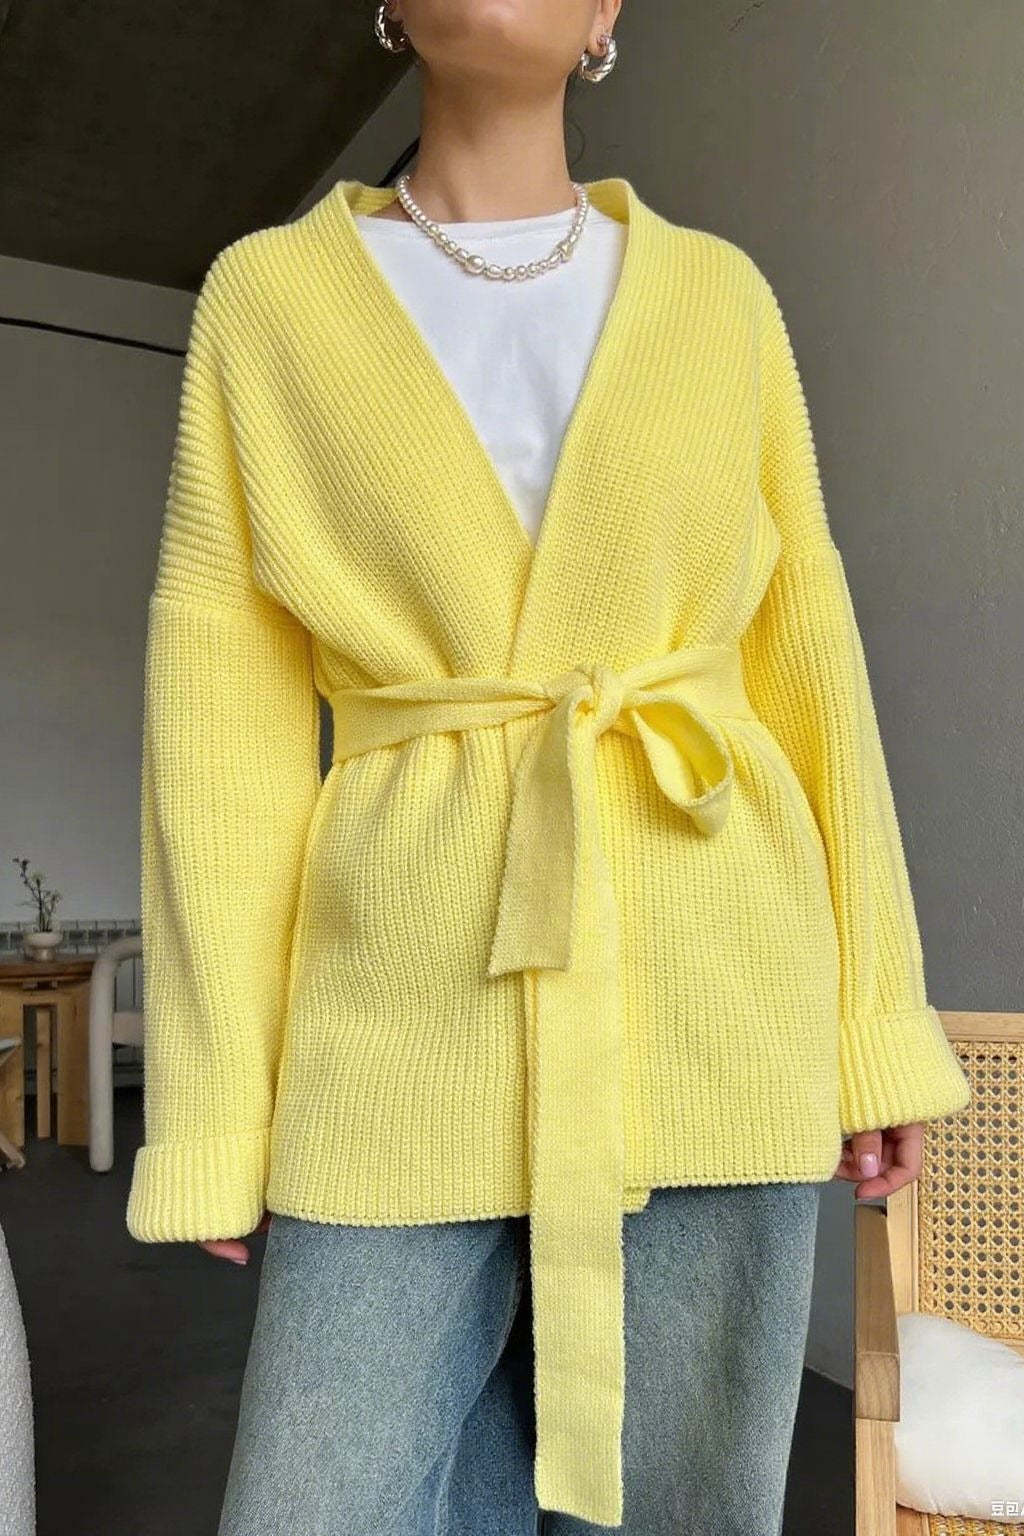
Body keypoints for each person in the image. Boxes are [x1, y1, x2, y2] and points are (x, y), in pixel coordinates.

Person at [125, 2, 972, 1532]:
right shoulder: (269, 297)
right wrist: (216, 1108)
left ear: (605, 17)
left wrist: (871, 1026)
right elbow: (220, 728)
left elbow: (807, 661)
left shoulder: (720, 297)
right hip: (396, 1008)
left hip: (715, 984)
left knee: (686, 1504)